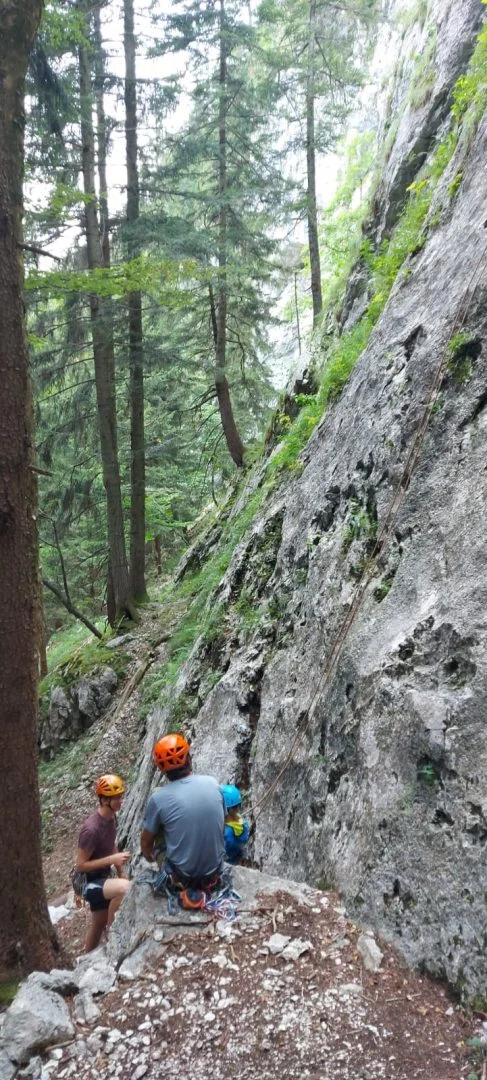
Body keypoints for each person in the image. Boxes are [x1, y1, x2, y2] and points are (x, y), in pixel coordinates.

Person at [140, 734, 225, 897]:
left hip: (182, 878)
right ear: (189, 759)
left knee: (156, 827)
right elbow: (223, 822)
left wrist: (150, 857)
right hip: (214, 873)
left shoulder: (158, 798)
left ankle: (170, 875)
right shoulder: (213, 783)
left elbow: (146, 843)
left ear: (161, 769)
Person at [76, 773, 132, 952]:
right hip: (88, 883)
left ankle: (85, 961)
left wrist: (120, 869)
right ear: (104, 800)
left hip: (102, 878)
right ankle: (113, 934)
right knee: (125, 888)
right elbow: (80, 865)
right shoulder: (91, 829)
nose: (120, 801)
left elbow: (112, 844)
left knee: (97, 924)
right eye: (116, 798)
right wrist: (112, 860)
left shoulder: (110, 818)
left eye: (121, 797)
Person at [221, 784, 250, 864]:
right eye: (235, 807)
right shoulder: (243, 824)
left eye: (238, 806)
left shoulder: (227, 832)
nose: (237, 809)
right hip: (234, 861)